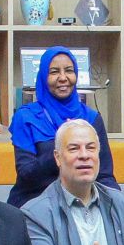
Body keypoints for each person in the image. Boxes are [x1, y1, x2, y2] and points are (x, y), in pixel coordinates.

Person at [8, 45, 117, 207]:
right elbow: (26, 175)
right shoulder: (26, 117)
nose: (63, 77)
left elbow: (105, 175)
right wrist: (63, 146)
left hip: (83, 202)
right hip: (36, 202)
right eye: (54, 72)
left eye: (69, 70)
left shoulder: (92, 118)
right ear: (43, 77)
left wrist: (116, 204)